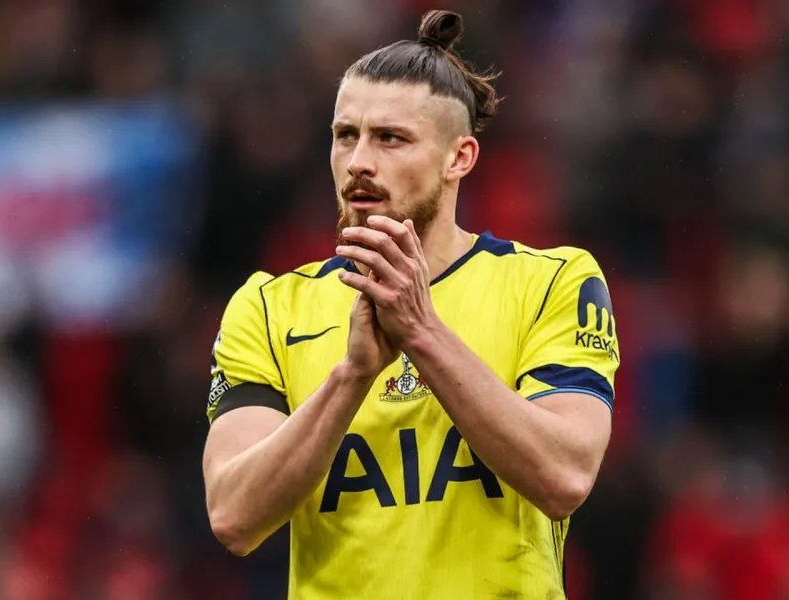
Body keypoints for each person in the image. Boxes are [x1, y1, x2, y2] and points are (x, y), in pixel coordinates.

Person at [203, 9, 620, 599]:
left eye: (390, 138)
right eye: (345, 135)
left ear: (460, 158)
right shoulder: (269, 308)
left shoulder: (552, 283)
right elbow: (234, 516)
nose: (358, 162)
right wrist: (352, 378)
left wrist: (422, 332)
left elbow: (565, 476)